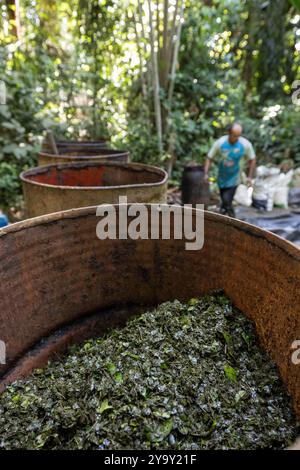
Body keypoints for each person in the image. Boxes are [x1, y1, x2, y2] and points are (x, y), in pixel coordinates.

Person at [204, 123, 256, 217]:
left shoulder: (244, 144)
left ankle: (233, 221)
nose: (236, 138)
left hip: (235, 177)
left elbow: (252, 159)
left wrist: (250, 176)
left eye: (238, 136)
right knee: (224, 202)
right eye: (234, 135)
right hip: (222, 177)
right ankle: (224, 219)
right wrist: (206, 173)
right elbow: (209, 157)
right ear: (229, 133)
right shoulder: (220, 143)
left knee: (227, 200)